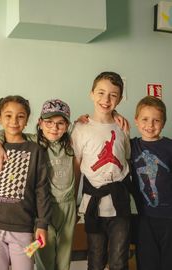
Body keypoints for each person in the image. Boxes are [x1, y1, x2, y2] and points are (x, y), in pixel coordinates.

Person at [0, 98, 77, 270]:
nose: (54, 127)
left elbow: (89, 127)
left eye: (60, 123)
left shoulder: (73, 142)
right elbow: (5, 132)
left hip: (67, 207)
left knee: (64, 258)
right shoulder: (32, 141)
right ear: (39, 123)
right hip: (42, 208)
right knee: (43, 254)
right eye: (49, 122)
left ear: (67, 125)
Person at [0, 95, 51, 270]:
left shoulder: (36, 151)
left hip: (23, 229)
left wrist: (42, 225)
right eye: (8, 115)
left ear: (27, 120)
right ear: (0, 118)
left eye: (20, 116)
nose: (14, 121)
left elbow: (42, 190)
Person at [71, 71, 132, 270]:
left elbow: (127, 159)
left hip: (120, 204)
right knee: (95, 258)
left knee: (119, 259)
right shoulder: (80, 128)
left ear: (120, 99)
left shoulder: (122, 126)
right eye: (101, 93)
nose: (106, 99)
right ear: (91, 94)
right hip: (93, 203)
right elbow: (77, 168)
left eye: (113, 95)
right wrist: (72, 200)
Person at [130, 96, 172, 270]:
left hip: (169, 217)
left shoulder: (169, 146)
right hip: (144, 217)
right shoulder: (132, 145)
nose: (150, 125)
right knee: (147, 261)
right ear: (136, 121)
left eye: (156, 120)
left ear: (163, 123)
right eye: (145, 119)